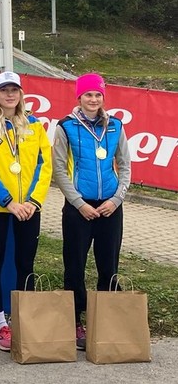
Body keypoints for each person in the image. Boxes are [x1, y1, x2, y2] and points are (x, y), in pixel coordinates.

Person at [0, 70, 52, 352]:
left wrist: (33, 202)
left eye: (14, 90)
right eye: (4, 90)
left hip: (29, 208)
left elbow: (45, 166)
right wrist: (9, 202)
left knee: (25, 263)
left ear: (21, 94)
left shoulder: (34, 125)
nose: (9, 95)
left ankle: (23, 319)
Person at [53, 73, 130, 350]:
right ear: (79, 97)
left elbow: (125, 166)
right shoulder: (66, 126)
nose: (93, 99)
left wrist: (116, 200)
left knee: (108, 267)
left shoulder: (116, 126)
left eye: (97, 95)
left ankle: (107, 322)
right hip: (79, 208)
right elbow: (59, 169)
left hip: (110, 207)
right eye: (88, 95)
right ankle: (74, 322)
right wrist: (79, 203)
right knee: (74, 267)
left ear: (103, 98)